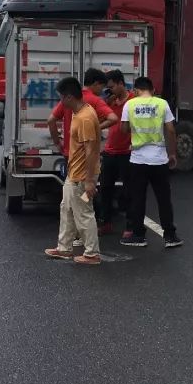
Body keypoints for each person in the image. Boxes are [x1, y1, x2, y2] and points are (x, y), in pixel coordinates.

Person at [48, 68, 116, 239]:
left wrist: (57, 142)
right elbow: (113, 118)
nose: (102, 91)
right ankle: (82, 237)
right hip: (86, 159)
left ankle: (83, 241)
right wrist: (96, 128)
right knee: (81, 199)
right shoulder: (92, 101)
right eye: (102, 86)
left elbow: (51, 120)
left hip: (69, 156)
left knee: (76, 200)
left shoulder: (70, 100)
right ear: (95, 84)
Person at [119, 77, 183, 249]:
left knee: (138, 199)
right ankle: (170, 236)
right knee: (163, 199)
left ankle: (139, 235)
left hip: (138, 159)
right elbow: (170, 130)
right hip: (159, 159)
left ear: (136, 90)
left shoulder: (129, 105)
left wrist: (134, 127)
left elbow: (123, 129)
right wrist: (172, 153)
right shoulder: (162, 104)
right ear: (153, 89)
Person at [44, 77, 103, 265]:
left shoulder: (85, 118)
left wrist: (90, 180)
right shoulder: (80, 113)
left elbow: (91, 150)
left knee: (84, 213)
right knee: (67, 209)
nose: (61, 102)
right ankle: (64, 248)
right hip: (74, 174)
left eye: (62, 97)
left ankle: (92, 253)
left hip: (82, 176)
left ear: (69, 97)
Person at [98, 69, 136, 235]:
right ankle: (105, 222)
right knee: (105, 188)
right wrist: (107, 102)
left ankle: (130, 225)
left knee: (129, 191)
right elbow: (99, 119)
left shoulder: (134, 101)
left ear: (121, 84)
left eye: (112, 87)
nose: (110, 90)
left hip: (127, 151)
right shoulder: (110, 102)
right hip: (109, 151)